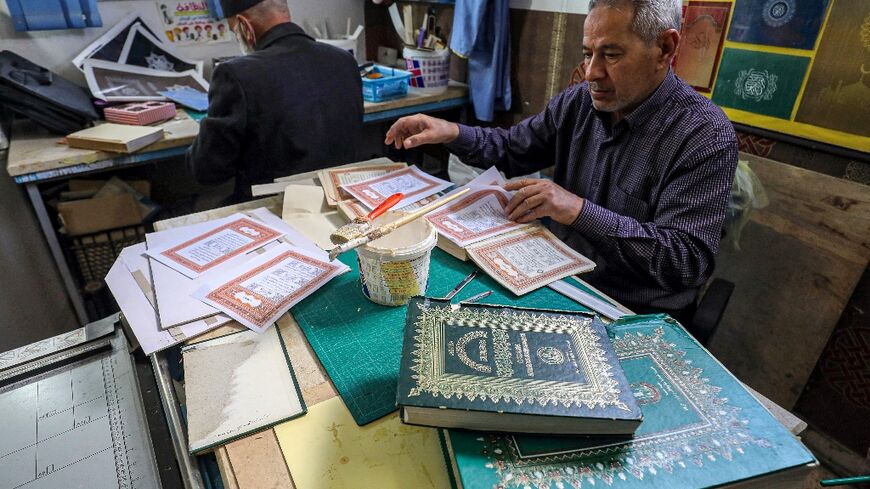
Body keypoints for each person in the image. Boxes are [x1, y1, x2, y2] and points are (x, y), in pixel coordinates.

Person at [385, 0, 738, 321]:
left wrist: (577, 210)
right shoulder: (579, 103)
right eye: (588, 54)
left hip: (634, 312)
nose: (592, 73)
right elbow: (514, 148)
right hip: (559, 281)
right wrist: (450, 131)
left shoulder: (704, 135)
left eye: (611, 55)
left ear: (665, 48)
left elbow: (685, 260)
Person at [187, 0, 364, 202]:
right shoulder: (344, 60)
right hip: (340, 199)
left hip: (277, 207)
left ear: (244, 26)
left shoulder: (236, 74)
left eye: (233, 30)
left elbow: (207, 171)